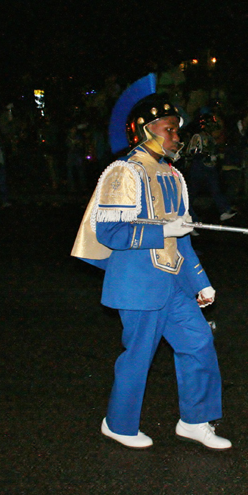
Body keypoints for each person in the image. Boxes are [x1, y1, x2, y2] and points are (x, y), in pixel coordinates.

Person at [71, 80, 230, 450]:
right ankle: (119, 424)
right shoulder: (124, 172)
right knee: (139, 355)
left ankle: (195, 420)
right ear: (145, 131)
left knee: (199, 341)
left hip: (173, 281)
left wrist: (200, 283)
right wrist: (162, 232)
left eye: (177, 129)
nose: (177, 136)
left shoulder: (173, 174)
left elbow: (182, 237)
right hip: (137, 283)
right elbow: (109, 231)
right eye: (169, 129)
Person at [187, 113, 237, 221]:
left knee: (216, 189)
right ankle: (186, 213)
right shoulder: (198, 137)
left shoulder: (210, 137)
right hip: (199, 168)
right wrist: (206, 153)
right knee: (192, 192)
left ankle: (223, 210)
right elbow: (193, 152)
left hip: (210, 167)